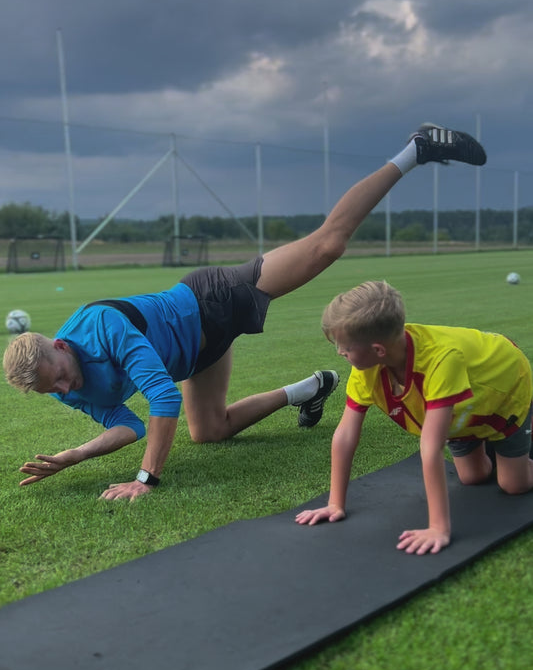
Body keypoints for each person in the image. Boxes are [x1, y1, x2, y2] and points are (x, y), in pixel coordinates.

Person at [3, 123, 486, 502]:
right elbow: (126, 426)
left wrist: (146, 479)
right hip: (197, 352)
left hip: (214, 300)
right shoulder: (57, 383)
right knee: (210, 433)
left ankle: (416, 150)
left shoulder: (103, 326)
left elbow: (161, 402)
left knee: (327, 245)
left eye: (62, 377)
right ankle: (309, 390)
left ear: (62, 346)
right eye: (56, 391)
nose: (67, 390)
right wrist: (74, 454)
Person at [295, 280, 533, 555]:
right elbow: (346, 435)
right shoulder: (368, 367)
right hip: (460, 414)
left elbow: (431, 448)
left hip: (502, 393)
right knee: (473, 476)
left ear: (378, 350)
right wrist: (335, 503)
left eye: (345, 347)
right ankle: (498, 450)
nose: (340, 352)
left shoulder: (440, 361)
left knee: (513, 485)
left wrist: (438, 528)